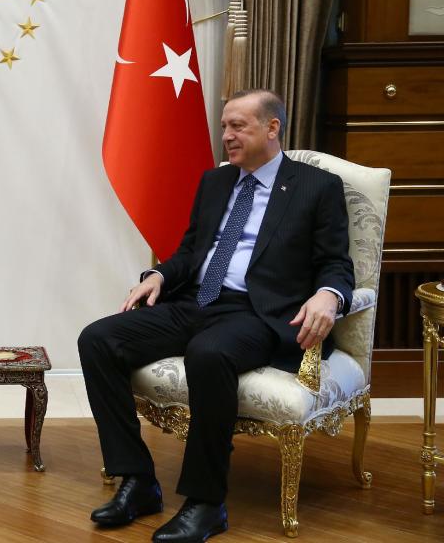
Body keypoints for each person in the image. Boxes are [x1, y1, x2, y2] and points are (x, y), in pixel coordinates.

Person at [78, 89, 354, 543]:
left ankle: (206, 505)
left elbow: (336, 264)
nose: (226, 136)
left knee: (209, 353)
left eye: (238, 126)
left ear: (272, 127)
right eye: (224, 126)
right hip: (196, 301)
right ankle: (137, 480)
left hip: (258, 313)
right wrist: (159, 276)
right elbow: (191, 251)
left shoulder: (314, 187)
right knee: (98, 339)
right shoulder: (216, 182)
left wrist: (328, 295)